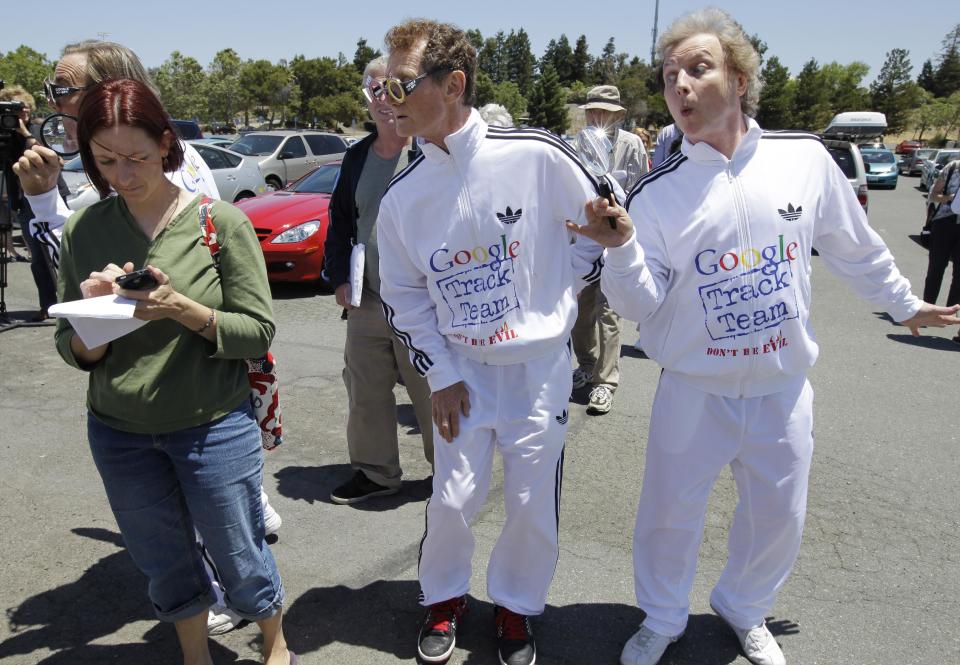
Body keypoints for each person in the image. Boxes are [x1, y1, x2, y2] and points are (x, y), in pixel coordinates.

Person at [570, 9, 960, 665]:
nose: (681, 88)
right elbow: (637, 304)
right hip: (693, 390)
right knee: (669, 516)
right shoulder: (660, 193)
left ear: (741, 78)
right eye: (670, 78)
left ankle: (743, 607)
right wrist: (623, 250)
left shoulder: (803, 160)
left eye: (698, 69)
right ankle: (662, 616)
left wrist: (904, 305)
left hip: (782, 388)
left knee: (779, 517)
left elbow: (854, 247)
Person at [12, 39, 280, 637]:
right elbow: (72, 339)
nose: (121, 176)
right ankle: (194, 643)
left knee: (237, 546)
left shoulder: (207, 211)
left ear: (163, 143)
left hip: (209, 417)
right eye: (105, 163)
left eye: (133, 159)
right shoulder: (89, 219)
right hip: (119, 426)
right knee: (163, 557)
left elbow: (250, 323)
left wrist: (179, 307)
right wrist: (93, 322)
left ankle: (271, 638)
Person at [376, 19, 605, 665]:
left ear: (453, 84)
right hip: (462, 375)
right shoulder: (404, 197)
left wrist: (553, 299)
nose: (390, 98)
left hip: (538, 371)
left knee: (532, 503)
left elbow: (598, 232)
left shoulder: (535, 154)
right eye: (385, 84)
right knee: (451, 500)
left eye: (403, 83)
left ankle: (516, 606)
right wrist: (443, 373)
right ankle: (444, 598)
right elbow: (405, 298)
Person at [323, 56, 434, 505]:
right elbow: (340, 222)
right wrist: (338, 279)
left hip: (424, 300)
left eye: (394, 88)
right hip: (368, 298)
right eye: (375, 90)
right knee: (366, 390)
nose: (385, 99)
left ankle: (451, 470)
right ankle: (375, 473)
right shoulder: (356, 157)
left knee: (430, 392)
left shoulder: (429, 151)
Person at [14, 40, 220, 273]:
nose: (53, 104)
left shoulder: (133, 172)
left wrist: (43, 198)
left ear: (108, 93)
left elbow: (87, 274)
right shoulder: (181, 150)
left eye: (61, 91)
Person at [571, 85, 648, 415]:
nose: (597, 116)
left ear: (619, 115)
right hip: (584, 240)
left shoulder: (631, 145)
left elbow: (641, 192)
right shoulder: (575, 144)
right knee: (579, 312)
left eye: (604, 111)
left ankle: (606, 381)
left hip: (616, 240)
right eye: (592, 110)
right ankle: (586, 365)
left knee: (609, 314)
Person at [922, 158, 960, 312]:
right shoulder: (953, 167)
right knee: (936, 268)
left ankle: (951, 313)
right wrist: (949, 199)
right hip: (944, 223)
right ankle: (928, 308)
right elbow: (933, 195)